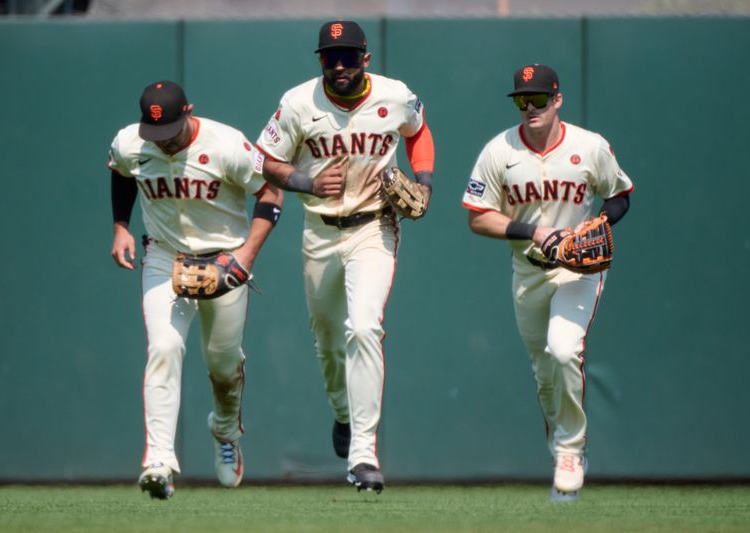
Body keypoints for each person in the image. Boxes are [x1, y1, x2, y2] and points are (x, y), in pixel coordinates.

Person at [254, 20, 435, 493]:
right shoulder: (298, 102)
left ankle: (363, 453)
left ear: (365, 59)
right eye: (330, 57)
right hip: (319, 230)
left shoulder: (394, 95)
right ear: (319, 61)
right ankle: (342, 412)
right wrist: (306, 182)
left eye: (349, 56)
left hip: (374, 227)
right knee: (329, 341)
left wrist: (425, 181)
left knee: (364, 326)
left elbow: (418, 131)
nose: (339, 65)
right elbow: (265, 159)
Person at [462, 64, 633, 501]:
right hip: (529, 270)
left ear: (558, 100)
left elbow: (619, 194)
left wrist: (597, 223)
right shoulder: (499, 151)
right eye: (523, 99)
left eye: (539, 98)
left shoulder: (589, 146)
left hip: (579, 268)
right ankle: (560, 448)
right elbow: (478, 218)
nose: (530, 107)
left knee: (564, 349)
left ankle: (571, 452)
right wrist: (533, 232)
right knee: (543, 375)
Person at [108, 80, 283, 499]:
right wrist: (120, 226)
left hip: (224, 260)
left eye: (170, 132)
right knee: (164, 348)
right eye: (156, 135)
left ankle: (225, 431)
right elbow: (121, 173)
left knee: (223, 365)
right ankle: (158, 461)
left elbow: (272, 194)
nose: (163, 143)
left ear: (189, 111)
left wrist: (245, 257)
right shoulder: (131, 143)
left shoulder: (226, 145)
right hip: (164, 257)